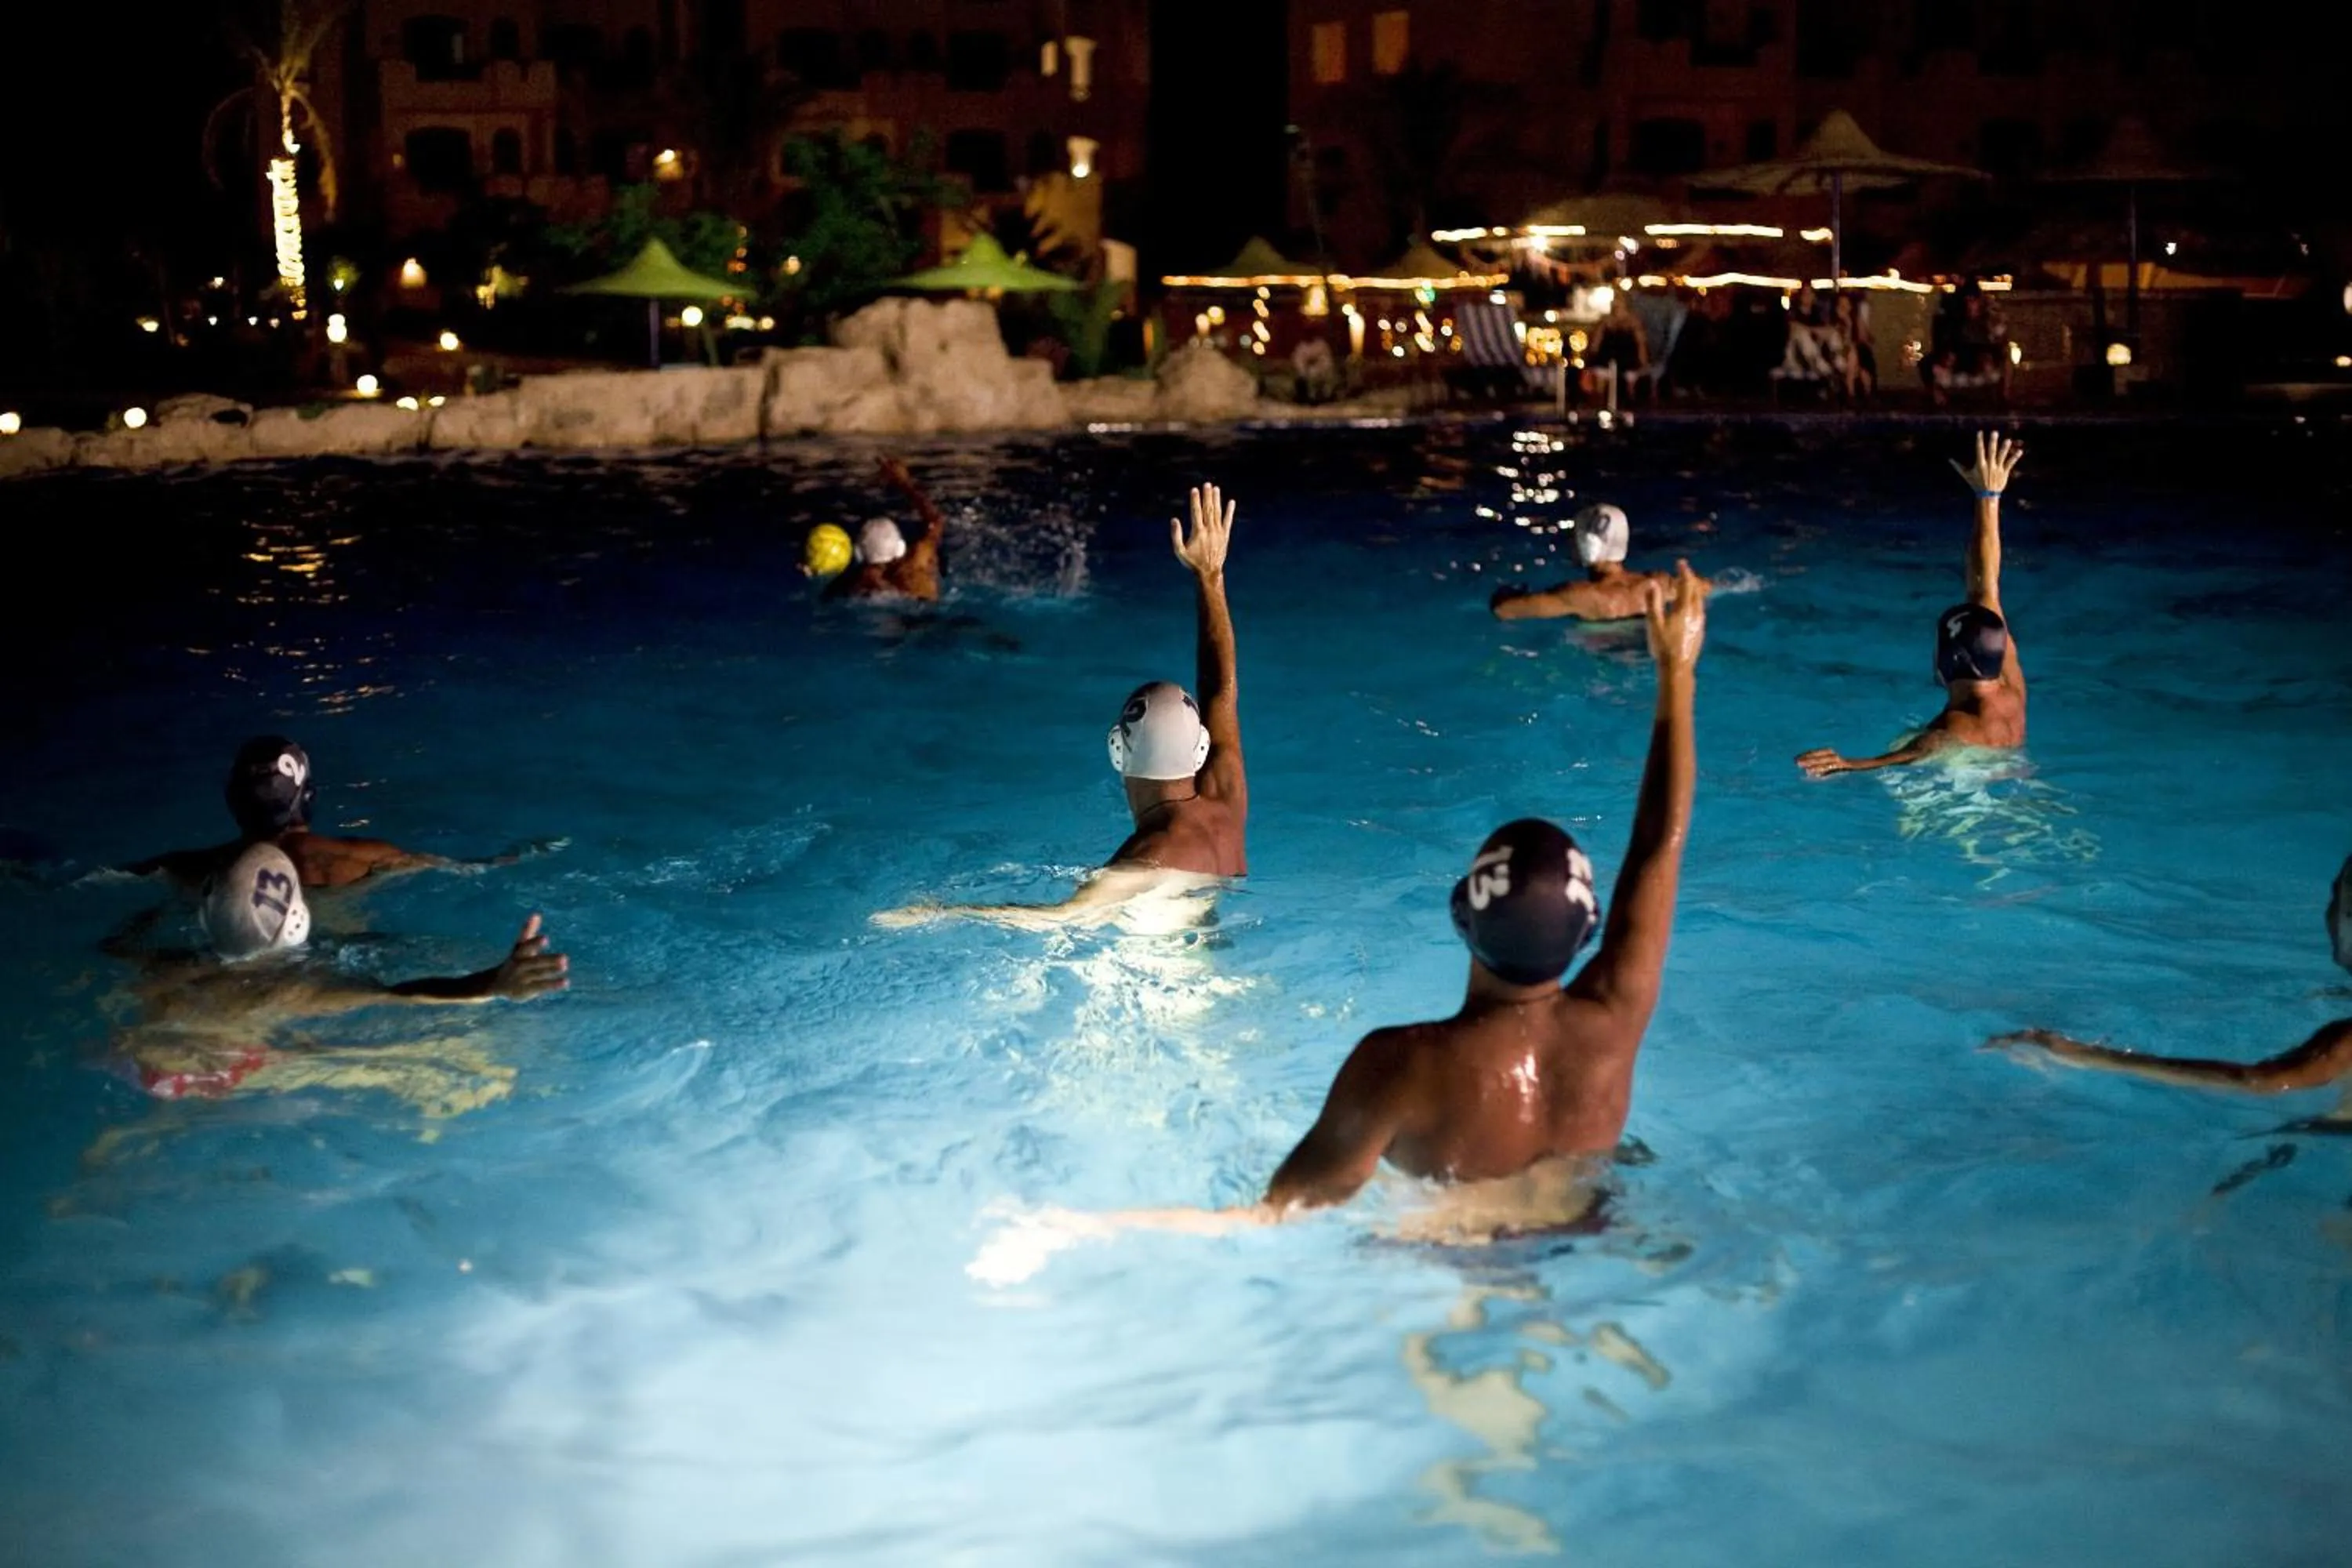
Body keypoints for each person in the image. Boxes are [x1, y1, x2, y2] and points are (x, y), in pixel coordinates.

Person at [977, 563, 1706, 1259]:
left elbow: (1272, 1216)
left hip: (1450, 1258)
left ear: (1462, 919)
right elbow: (1657, 848)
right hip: (1591, 1222)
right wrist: (1677, 674)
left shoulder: (1400, 1065)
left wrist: (1078, 1226)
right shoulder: (1615, 1020)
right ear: (1589, 930)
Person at [875, 483, 1247, 931]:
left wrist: (937, 913)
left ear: (1117, 750)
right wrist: (1211, 576)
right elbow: (1219, 686)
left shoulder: (1145, 858)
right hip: (1212, 958)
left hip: (1168, 988)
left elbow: (1060, 920)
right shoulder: (1226, 800)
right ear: (1200, 748)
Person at [107, 841, 569, 1099]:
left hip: (135, 1060)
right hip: (216, 1075)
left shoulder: (164, 964)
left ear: (206, 919)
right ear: (298, 915)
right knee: (477, 1070)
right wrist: (494, 983)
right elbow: (403, 995)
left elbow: (116, 948)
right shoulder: (293, 990)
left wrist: (145, 919)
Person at [1987, 857, 2352, 1098]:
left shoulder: (2343, 1038)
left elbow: (2260, 1082)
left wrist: (2076, 1053)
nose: (2326, 910)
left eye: (2336, 896)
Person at [1797, 432, 2027, 778]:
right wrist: (1988, 496)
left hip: (1972, 804)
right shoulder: (2011, 692)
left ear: (1946, 661)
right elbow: (1985, 582)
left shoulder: (1955, 728)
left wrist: (1848, 765)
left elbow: (1918, 753)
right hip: (2014, 777)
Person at [125, 736, 510, 891]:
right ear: (307, 796)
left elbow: (100, 880)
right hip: (329, 967)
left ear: (235, 802)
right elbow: (466, 868)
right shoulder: (361, 858)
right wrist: (519, 855)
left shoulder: (192, 867)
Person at [1489, 503, 1710, 623]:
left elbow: (1505, 611)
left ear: (1587, 544)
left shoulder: (1578, 596)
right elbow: (1707, 587)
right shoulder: (1661, 584)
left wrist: (1504, 594)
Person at [806, 455, 946, 603]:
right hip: (927, 608)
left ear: (858, 553)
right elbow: (935, 520)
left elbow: (825, 598)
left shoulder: (856, 582)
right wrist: (904, 482)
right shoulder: (919, 558)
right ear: (900, 547)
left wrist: (815, 568)